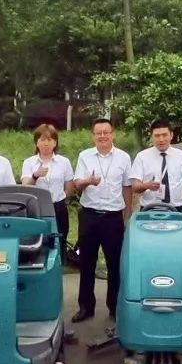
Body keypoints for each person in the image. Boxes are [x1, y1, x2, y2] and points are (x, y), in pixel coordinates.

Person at [72, 118, 132, 323]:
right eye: (99, 133)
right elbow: (77, 184)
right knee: (86, 263)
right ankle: (85, 307)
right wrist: (88, 181)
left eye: (106, 132)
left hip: (113, 217)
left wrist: (126, 214)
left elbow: (127, 187)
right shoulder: (85, 156)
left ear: (113, 134)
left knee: (115, 264)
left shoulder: (123, 157)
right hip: (89, 215)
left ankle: (115, 307)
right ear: (93, 136)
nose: (103, 136)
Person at [20, 123, 75, 249]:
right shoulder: (29, 162)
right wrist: (35, 176)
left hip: (58, 207)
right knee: (37, 241)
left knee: (60, 241)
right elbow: (25, 186)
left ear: (55, 143)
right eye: (42, 140)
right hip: (36, 207)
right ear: (36, 142)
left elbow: (69, 187)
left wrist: (61, 199)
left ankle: (60, 261)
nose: (46, 144)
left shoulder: (64, 162)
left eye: (49, 140)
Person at [129, 119, 182, 212]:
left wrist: (177, 201)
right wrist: (146, 185)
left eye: (164, 135)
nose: (161, 139)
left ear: (171, 135)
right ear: (152, 137)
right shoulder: (142, 157)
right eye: (157, 136)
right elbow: (135, 186)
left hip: (175, 209)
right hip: (149, 209)